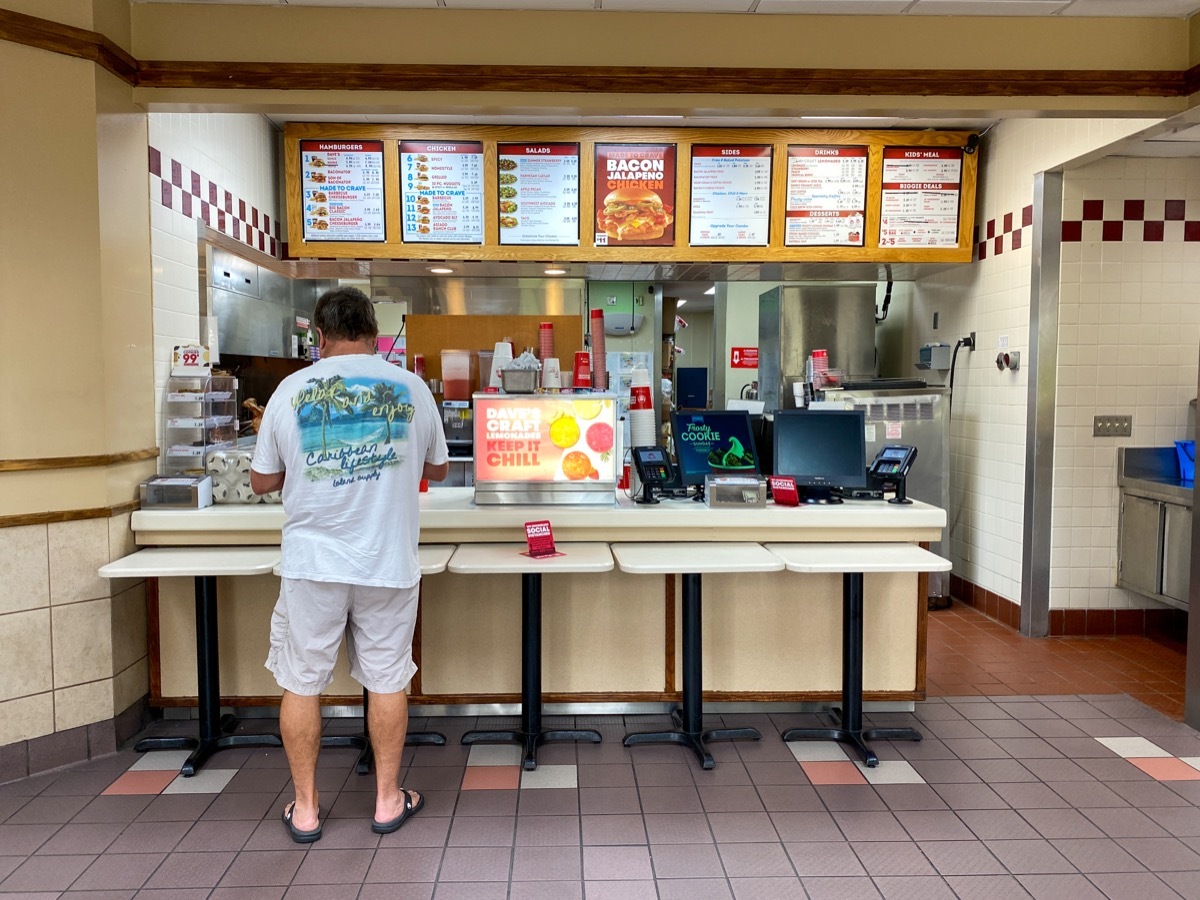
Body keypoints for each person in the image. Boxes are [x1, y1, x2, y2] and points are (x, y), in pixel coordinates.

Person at [251, 286, 449, 844]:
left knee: (301, 682)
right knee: (388, 679)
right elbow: (439, 468)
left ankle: (308, 809)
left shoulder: (290, 390)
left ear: (319, 336)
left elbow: (261, 480)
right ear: (374, 330)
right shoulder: (410, 387)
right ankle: (387, 802)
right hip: (387, 559)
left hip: (313, 563)